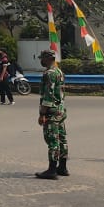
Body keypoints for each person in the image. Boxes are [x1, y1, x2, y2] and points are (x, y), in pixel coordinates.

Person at [34, 50, 68, 179]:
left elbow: (48, 96)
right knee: (62, 139)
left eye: (42, 58)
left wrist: (42, 114)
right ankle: (63, 167)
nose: (41, 61)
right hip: (60, 110)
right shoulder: (59, 71)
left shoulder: (49, 74)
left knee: (52, 140)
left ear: (48, 58)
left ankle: (52, 170)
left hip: (51, 112)